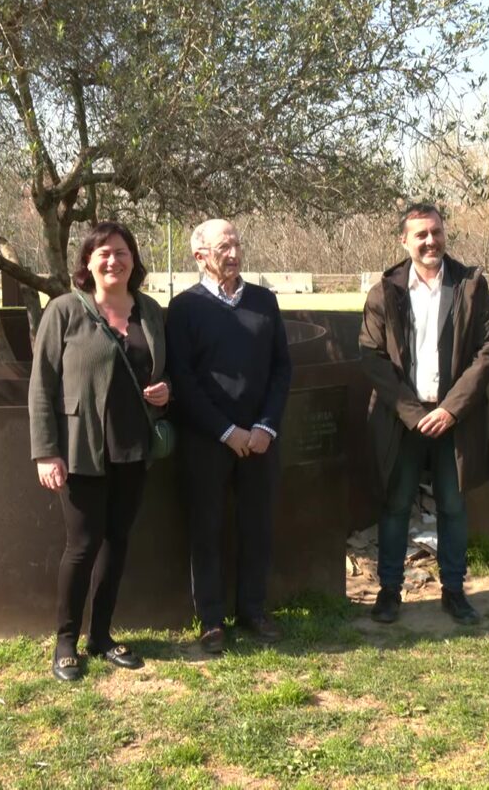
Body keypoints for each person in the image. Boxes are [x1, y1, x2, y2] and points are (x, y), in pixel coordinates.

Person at [29, 221, 170, 682]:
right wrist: (46, 452)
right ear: (87, 263)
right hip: (80, 448)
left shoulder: (150, 311)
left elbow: (162, 371)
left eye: (122, 251)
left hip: (133, 447)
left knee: (118, 542)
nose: (114, 259)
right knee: (83, 545)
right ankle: (66, 640)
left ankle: (103, 636)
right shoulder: (65, 311)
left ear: (134, 260)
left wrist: (167, 394)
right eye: (104, 252)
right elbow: (42, 387)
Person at [359, 202, 489, 625]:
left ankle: (453, 592)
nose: (429, 241)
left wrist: (451, 410)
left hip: (453, 419)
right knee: (396, 504)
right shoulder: (385, 290)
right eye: (420, 234)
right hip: (403, 420)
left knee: (453, 507)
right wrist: (410, 411)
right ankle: (389, 592)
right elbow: (371, 356)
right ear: (404, 240)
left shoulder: (471, 285)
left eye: (435, 232)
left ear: (444, 234)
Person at [165, 219, 292, 654]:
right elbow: (181, 378)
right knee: (207, 528)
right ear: (200, 255)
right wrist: (225, 430)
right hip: (207, 440)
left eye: (237, 243)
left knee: (257, 525)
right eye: (224, 246)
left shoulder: (264, 302)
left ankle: (253, 610)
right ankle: (212, 619)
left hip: (259, 440)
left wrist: (265, 426)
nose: (234, 252)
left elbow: (281, 369)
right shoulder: (183, 309)